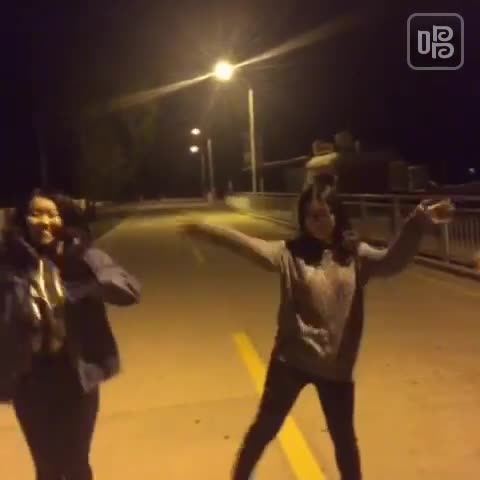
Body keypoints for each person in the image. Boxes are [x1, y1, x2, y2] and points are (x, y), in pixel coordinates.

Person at [178, 183, 454, 480]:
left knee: (345, 441)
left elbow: (392, 261)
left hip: (336, 367)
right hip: (291, 361)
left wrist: (417, 223)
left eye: (324, 215)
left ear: (337, 215)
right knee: (265, 428)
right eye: (311, 217)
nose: (318, 222)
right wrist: (206, 230)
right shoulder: (288, 254)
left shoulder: (355, 256)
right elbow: (247, 244)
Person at [0, 191, 141, 480]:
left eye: (52, 214)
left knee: (76, 463)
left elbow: (129, 291)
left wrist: (85, 285)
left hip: (76, 375)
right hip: (30, 378)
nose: (45, 221)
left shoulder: (84, 255)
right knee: (47, 467)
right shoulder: (8, 265)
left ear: (64, 220)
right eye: (36, 214)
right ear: (23, 220)